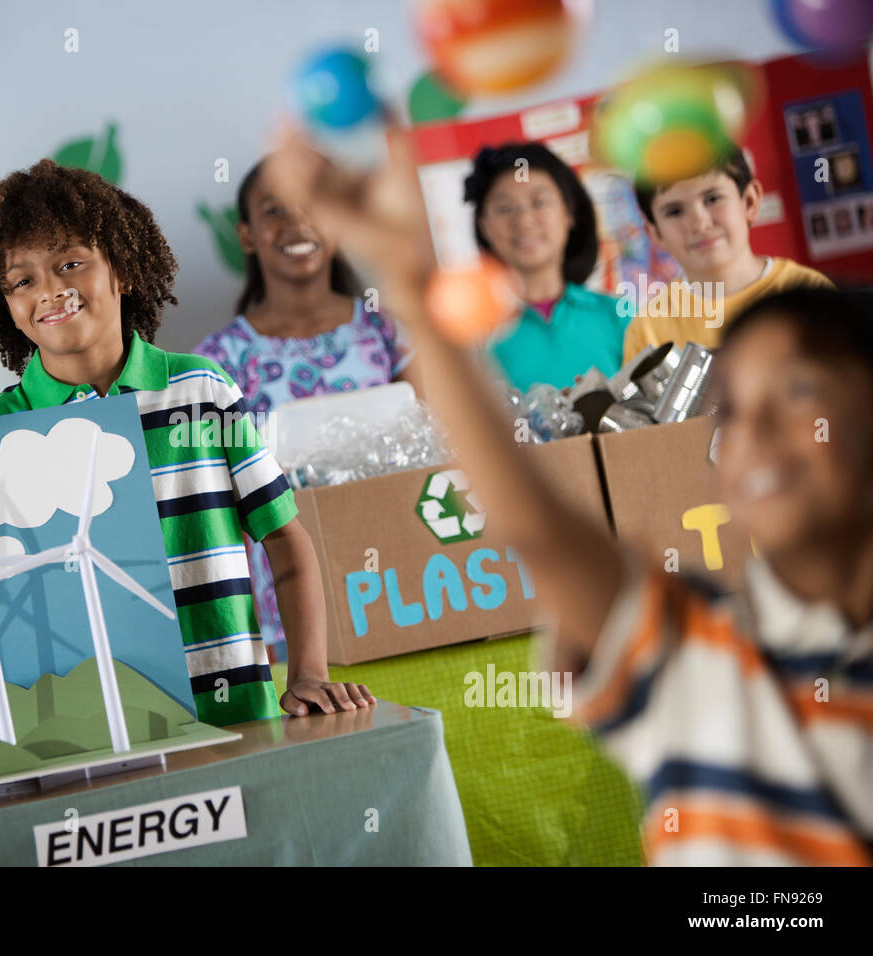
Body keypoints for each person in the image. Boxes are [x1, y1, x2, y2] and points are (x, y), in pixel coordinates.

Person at [267, 126, 872, 865]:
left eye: (799, 394)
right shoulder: (704, 638)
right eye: (733, 411)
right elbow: (541, 529)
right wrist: (410, 284)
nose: (757, 435)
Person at [0, 159, 372, 724]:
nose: (51, 291)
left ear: (122, 270)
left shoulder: (201, 389)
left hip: (234, 717)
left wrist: (307, 671)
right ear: (5, 305)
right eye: (22, 280)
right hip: (78, 737)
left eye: (71, 263)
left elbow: (284, 537)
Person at [193, 156, 419, 659]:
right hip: (283, 602)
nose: (297, 223)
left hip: (404, 576)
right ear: (247, 235)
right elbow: (210, 495)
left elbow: (436, 442)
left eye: (312, 206)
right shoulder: (218, 360)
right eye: (274, 210)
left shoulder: (388, 328)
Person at [622, 145, 831, 363]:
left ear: (749, 201)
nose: (700, 223)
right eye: (674, 211)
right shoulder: (647, 330)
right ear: (655, 233)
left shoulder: (810, 292)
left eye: (712, 199)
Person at [463, 142, 625, 391]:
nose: (524, 221)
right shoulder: (471, 339)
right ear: (484, 226)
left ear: (569, 213)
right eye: (505, 208)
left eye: (539, 202)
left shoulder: (618, 316)